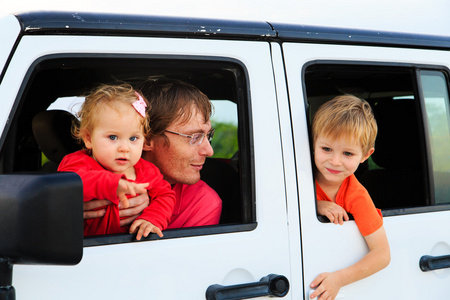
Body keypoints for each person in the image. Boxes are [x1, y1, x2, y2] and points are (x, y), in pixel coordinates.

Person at [82, 79, 222, 229]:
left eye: (208, 136)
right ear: (147, 139)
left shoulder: (203, 203)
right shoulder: (83, 166)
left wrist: (153, 211)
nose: (209, 151)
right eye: (194, 137)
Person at [58, 83, 176, 240]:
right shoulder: (77, 163)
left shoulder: (148, 171)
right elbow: (70, 185)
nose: (124, 148)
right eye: (113, 137)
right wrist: (112, 184)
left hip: (127, 248)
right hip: (85, 250)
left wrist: (152, 218)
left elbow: (165, 196)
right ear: (88, 138)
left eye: (133, 138)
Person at [309, 95, 391, 300]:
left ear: (365, 155)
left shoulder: (357, 195)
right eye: (326, 149)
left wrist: (338, 279)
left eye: (348, 154)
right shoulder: (298, 177)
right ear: (313, 144)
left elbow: (382, 254)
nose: (335, 161)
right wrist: (317, 205)